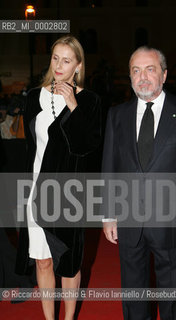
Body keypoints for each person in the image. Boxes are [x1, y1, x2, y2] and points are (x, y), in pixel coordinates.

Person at [102, 46, 176, 320]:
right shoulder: (117, 115)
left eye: (150, 69)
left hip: (172, 222)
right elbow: (110, 169)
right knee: (133, 295)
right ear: (130, 77)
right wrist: (107, 214)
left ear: (163, 75)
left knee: (173, 295)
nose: (143, 77)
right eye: (136, 71)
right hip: (129, 222)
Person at [15, 34, 101, 319]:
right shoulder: (34, 97)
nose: (59, 65)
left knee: (68, 262)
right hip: (35, 191)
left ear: (78, 65)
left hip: (69, 195)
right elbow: (30, 147)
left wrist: (73, 106)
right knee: (42, 262)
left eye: (67, 60)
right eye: (55, 58)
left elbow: (87, 147)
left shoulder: (89, 101)